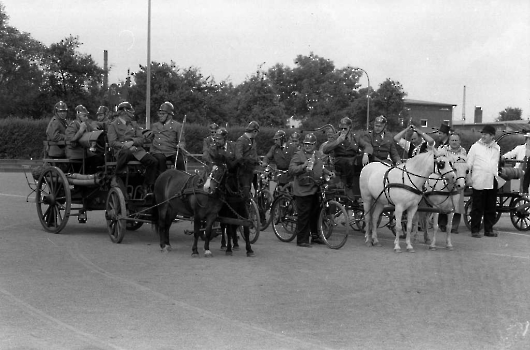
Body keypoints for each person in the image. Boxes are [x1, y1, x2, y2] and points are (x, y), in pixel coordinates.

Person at [289, 133, 333, 247]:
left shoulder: (318, 154)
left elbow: (321, 167)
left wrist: (328, 172)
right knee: (304, 215)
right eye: (306, 144)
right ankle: (302, 240)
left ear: (315, 145)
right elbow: (292, 169)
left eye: (310, 144)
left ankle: (315, 236)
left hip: (315, 188)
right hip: (303, 190)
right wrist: (303, 166)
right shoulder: (298, 155)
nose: (307, 146)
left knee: (316, 214)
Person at [107, 101, 158, 196]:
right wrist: (125, 145)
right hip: (121, 151)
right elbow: (112, 142)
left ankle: (146, 186)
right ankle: (116, 175)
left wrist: (132, 142)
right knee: (126, 153)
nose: (132, 113)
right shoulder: (113, 125)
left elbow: (141, 139)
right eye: (130, 111)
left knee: (153, 161)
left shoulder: (133, 124)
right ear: (123, 112)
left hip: (136, 150)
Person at [322, 117, 373, 198]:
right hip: (340, 160)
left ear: (350, 128)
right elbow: (325, 149)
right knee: (348, 162)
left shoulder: (355, 138)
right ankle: (349, 186)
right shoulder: (336, 137)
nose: (343, 130)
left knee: (371, 159)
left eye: (345, 128)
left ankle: (370, 184)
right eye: (341, 128)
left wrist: (366, 154)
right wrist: (338, 141)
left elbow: (367, 145)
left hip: (353, 159)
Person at [466, 125, 500, 238]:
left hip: (492, 179)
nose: (483, 136)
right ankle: (475, 230)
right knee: (477, 206)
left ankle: (488, 229)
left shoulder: (497, 148)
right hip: (479, 179)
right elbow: (468, 164)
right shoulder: (475, 147)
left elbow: (495, 163)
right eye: (483, 134)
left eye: (486, 134)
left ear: (492, 136)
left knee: (491, 207)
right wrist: (469, 177)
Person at [438, 132, 467, 233]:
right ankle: (442, 224)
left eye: (456, 140)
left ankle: (454, 226)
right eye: (452, 140)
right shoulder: (443, 150)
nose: (454, 142)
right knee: (443, 201)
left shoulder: (463, 151)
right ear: (449, 141)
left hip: (459, 179)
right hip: (446, 179)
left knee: (458, 203)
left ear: (460, 141)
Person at [148, 101, 186, 173]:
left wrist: (180, 145)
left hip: (171, 151)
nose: (160, 116)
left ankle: (183, 179)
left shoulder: (177, 126)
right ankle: (162, 179)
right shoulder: (155, 126)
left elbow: (182, 141)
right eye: (159, 113)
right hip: (158, 151)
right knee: (160, 159)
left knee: (180, 160)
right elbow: (150, 138)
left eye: (163, 114)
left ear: (169, 115)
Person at [65, 105, 105, 173]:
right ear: (78, 116)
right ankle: (91, 178)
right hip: (75, 153)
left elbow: (93, 131)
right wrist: (80, 131)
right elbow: (71, 139)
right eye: (84, 116)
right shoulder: (73, 125)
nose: (86, 118)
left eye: (87, 116)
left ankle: (94, 177)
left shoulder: (86, 125)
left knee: (100, 157)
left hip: (84, 152)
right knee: (96, 159)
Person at [235, 121, 260, 197]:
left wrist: (258, 160)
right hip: (244, 170)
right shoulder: (241, 140)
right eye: (257, 132)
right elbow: (239, 156)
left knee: (257, 188)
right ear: (254, 131)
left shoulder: (253, 140)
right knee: (246, 189)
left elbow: (254, 153)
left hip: (253, 169)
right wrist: (247, 162)